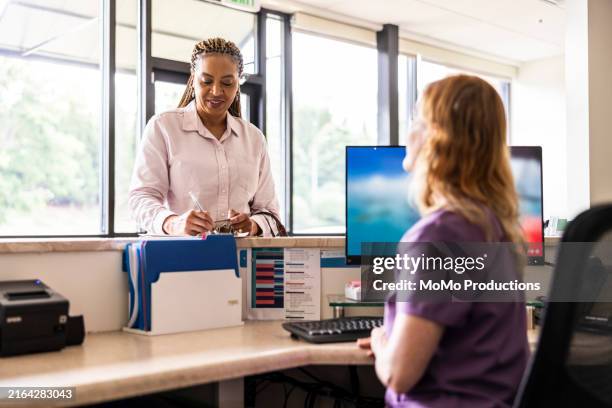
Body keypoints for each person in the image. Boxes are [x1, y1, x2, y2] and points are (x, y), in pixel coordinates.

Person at [358, 75, 529, 407]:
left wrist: (381, 342)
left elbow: (399, 374)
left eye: (416, 120)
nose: (409, 132)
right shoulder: (496, 228)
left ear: (438, 139)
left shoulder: (438, 237)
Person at [129, 38, 282, 236]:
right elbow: (141, 197)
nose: (217, 91)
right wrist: (174, 223)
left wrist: (252, 225)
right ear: (193, 80)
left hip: (241, 259)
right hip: (183, 257)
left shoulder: (254, 139)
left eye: (227, 82)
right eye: (207, 81)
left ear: (238, 83)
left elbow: (270, 211)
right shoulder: (163, 127)